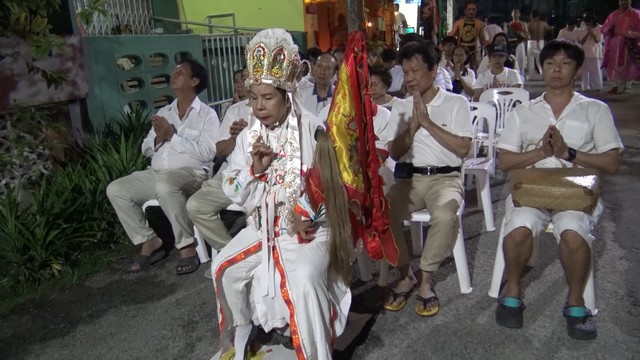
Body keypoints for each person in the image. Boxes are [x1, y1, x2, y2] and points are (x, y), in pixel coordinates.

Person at [212, 28, 352, 360]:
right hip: (263, 227)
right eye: (253, 97)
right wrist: (254, 172)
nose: (259, 106)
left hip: (311, 228)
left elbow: (333, 189)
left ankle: (315, 352)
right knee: (224, 268)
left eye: (267, 97)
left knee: (302, 280)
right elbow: (230, 186)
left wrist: (306, 217)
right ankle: (244, 326)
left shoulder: (312, 129)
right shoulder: (248, 137)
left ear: (287, 94)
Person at [495, 40, 623, 340]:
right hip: (532, 187)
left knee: (572, 230)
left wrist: (569, 154)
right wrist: (540, 153)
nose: (557, 69)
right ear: (542, 67)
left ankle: (575, 300)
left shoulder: (594, 110)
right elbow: (505, 161)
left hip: (576, 190)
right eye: (551, 63)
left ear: (577, 70)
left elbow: (612, 163)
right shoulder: (524, 112)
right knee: (519, 228)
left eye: (565, 63)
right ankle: (513, 288)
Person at [381, 40, 473, 317]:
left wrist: (428, 124)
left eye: (415, 71)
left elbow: (463, 149)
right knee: (382, 212)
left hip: (446, 180)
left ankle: (426, 279)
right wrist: (412, 126)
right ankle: (406, 274)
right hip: (409, 180)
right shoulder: (400, 107)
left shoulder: (456, 103)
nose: (409, 78)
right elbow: (395, 153)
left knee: (445, 216)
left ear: (433, 70)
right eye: (405, 72)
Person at [106, 59, 219, 275]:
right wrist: (158, 139)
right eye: (174, 72)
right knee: (116, 189)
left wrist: (173, 137)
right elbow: (146, 148)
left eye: (181, 73)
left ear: (194, 81)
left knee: (167, 184)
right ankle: (149, 241)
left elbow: (208, 152)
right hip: (157, 173)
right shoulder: (164, 112)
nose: (174, 75)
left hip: (192, 174)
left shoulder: (206, 115)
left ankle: (187, 247)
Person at [186, 90, 251, 255]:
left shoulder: (281, 107)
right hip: (232, 172)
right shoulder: (235, 110)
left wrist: (250, 134)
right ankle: (232, 254)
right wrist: (236, 139)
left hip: (264, 172)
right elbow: (220, 151)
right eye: (245, 77)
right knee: (196, 206)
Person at [601, 0, 640, 94]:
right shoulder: (613, 14)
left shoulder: (637, 14)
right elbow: (604, 28)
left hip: (631, 43)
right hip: (615, 42)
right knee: (613, 64)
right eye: (622, 1)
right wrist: (609, 29)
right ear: (619, 2)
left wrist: (630, 34)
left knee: (629, 64)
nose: (624, 3)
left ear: (630, 2)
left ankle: (627, 86)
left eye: (626, 1)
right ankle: (615, 86)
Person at [297, 52, 338, 121]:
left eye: (328, 68)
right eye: (319, 66)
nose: (322, 72)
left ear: (334, 73)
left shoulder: (339, 97)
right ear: (314, 68)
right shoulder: (301, 95)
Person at [448, 1, 487, 70]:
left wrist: (492, 43)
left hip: (472, 55)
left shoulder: (480, 24)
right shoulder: (458, 23)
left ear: (476, 11)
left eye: (473, 9)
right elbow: (451, 35)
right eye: (469, 9)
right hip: (460, 53)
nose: (471, 11)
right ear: (465, 11)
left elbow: (482, 40)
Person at [577, 14, 603, 92]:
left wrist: (591, 33)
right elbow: (581, 41)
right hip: (585, 52)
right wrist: (588, 33)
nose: (588, 24)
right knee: (584, 71)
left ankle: (597, 86)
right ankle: (585, 87)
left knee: (596, 70)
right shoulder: (584, 28)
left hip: (595, 52)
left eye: (589, 22)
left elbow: (597, 40)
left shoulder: (600, 28)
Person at [526, 9, 551, 81]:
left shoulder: (529, 24)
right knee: (540, 59)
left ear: (532, 15)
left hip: (531, 42)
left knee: (530, 60)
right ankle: (543, 75)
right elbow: (549, 29)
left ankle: (530, 76)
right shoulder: (543, 23)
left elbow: (527, 33)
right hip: (540, 41)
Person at [505, 9, 529, 78]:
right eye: (514, 13)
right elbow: (506, 35)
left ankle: (521, 78)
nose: (515, 15)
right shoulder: (509, 25)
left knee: (521, 62)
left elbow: (527, 34)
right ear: (512, 14)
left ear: (519, 14)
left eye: (517, 13)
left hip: (520, 43)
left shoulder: (523, 24)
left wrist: (520, 33)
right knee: (511, 61)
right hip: (511, 45)